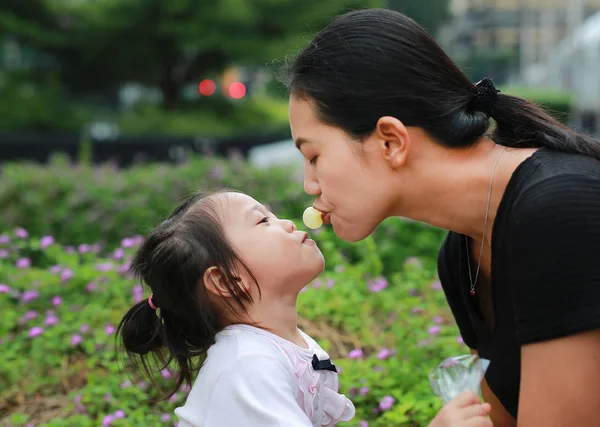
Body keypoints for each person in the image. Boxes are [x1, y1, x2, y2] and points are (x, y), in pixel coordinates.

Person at [282, 7, 600, 427]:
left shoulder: (558, 213)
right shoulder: (460, 255)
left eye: (314, 155)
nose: (310, 185)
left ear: (391, 140)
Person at [116, 189, 492, 427]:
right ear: (228, 281)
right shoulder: (247, 366)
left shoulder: (273, 348)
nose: (287, 223)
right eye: (263, 220)